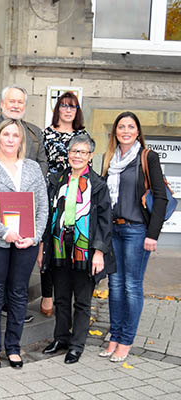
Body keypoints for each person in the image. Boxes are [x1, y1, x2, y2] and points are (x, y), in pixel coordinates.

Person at [0, 118, 48, 369]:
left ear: (21, 140)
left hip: (27, 242)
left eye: (14, 135)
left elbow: (42, 207)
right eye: (5, 134)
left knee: (18, 294)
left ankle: (14, 347)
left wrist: (36, 235)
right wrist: (4, 231)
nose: (9, 139)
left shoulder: (32, 168)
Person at [100, 112, 168, 362]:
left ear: (138, 131)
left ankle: (126, 341)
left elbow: (160, 197)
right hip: (113, 230)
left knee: (131, 286)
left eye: (130, 126)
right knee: (114, 286)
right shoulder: (109, 158)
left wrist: (153, 234)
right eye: (121, 126)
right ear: (115, 131)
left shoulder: (147, 157)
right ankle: (115, 336)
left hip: (137, 231)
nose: (125, 130)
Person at [40, 135, 112, 364]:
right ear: (68, 154)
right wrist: (43, 247)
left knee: (81, 301)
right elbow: (48, 214)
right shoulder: (57, 179)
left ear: (90, 156)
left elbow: (104, 220)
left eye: (82, 152)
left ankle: (77, 345)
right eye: (74, 151)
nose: (77, 156)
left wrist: (99, 252)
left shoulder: (98, 184)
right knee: (61, 297)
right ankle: (61, 338)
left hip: (85, 248)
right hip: (59, 245)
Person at [39, 91, 89, 318]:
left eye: (73, 107)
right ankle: (47, 294)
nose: (68, 110)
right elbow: (41, 162)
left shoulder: (83, 135)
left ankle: (66, 295)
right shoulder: (46, 134)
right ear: (57, 108)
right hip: (51, 191)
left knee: (70, 241)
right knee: (49, 241)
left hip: (75, 194)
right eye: (64, 106)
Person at [0, 85, 48, 176]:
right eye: (12, 101)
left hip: (29, 187)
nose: (16, 106)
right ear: (2, 104)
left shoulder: (35, 131)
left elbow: (42, 163)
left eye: (20, 102)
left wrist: (30, 183)